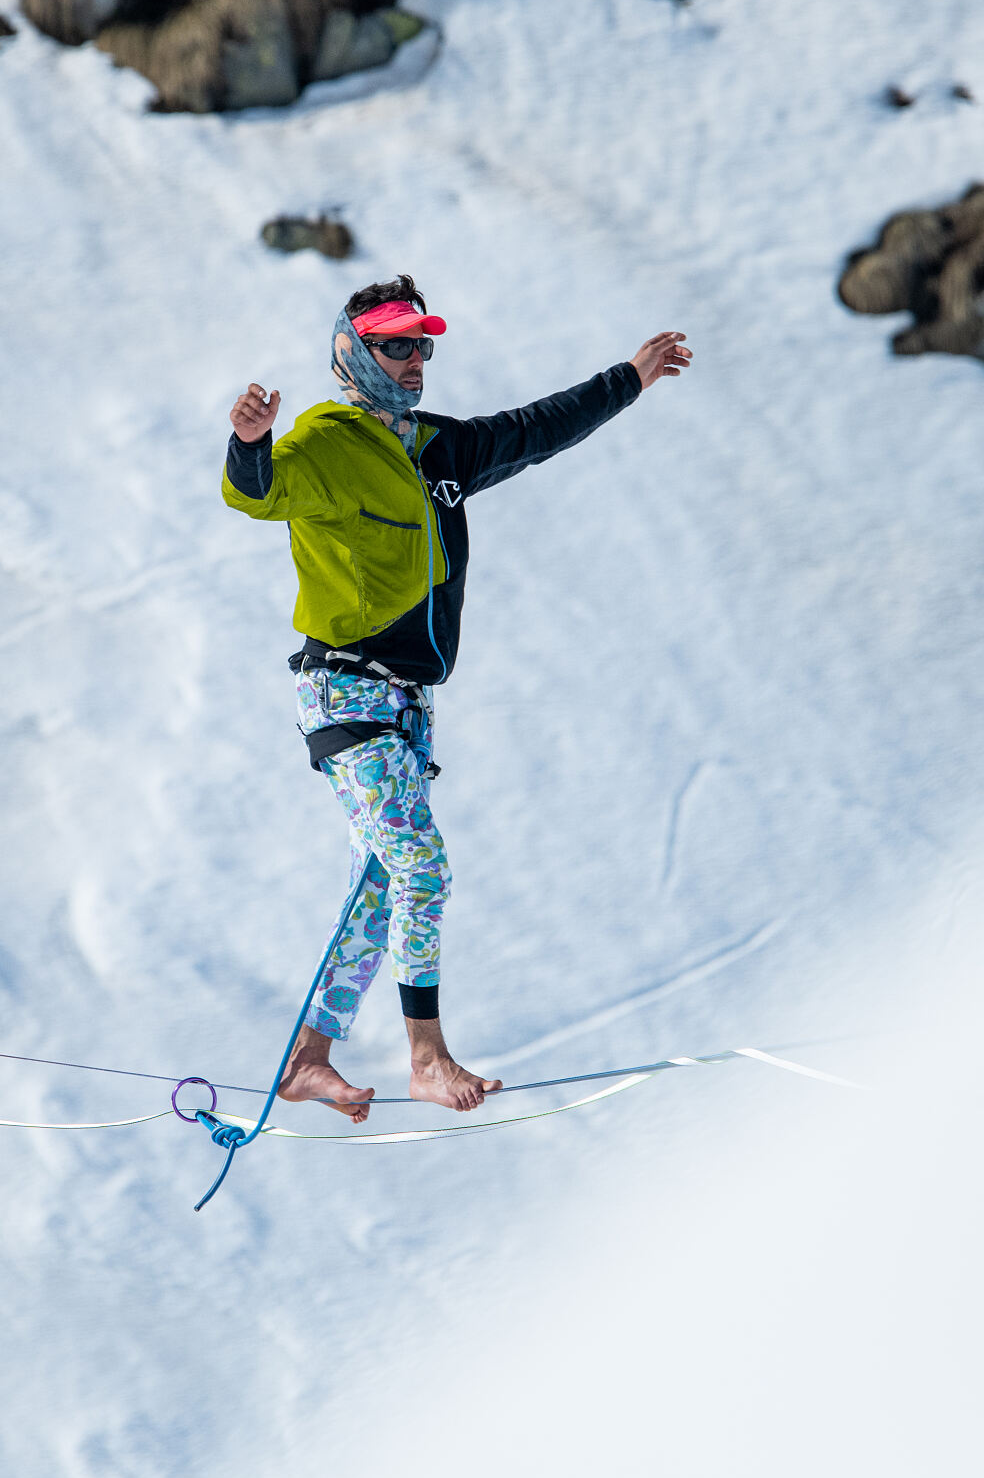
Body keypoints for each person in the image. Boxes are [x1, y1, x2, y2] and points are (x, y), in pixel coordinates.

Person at [224, 275, 692, 1117]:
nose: (416, 361)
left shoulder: (435, 448)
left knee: (386, 880)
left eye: (424, 344)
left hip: (406, 709)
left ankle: (306, 1060)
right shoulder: (324, 443)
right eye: (397, 345)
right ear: (353, 353)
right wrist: (249, 443)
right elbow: (259, 494)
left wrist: (628, 378)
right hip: (343, 695)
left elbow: (533, 430)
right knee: (423, 868)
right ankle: (426, 1058)